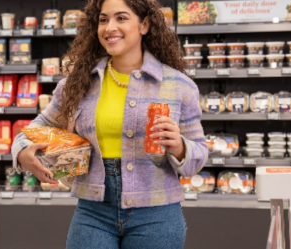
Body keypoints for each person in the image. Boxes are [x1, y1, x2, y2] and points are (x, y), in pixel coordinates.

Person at [12, 0, 208, 248]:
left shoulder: (179, 86)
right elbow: (39, 125)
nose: (109, 27)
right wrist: (20, 151)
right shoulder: (78, 83)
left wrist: (179, 146)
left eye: (121, 18)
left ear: (144, 25)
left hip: (157, 213)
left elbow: (199, 154)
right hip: (93, 212)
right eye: (103, 20)